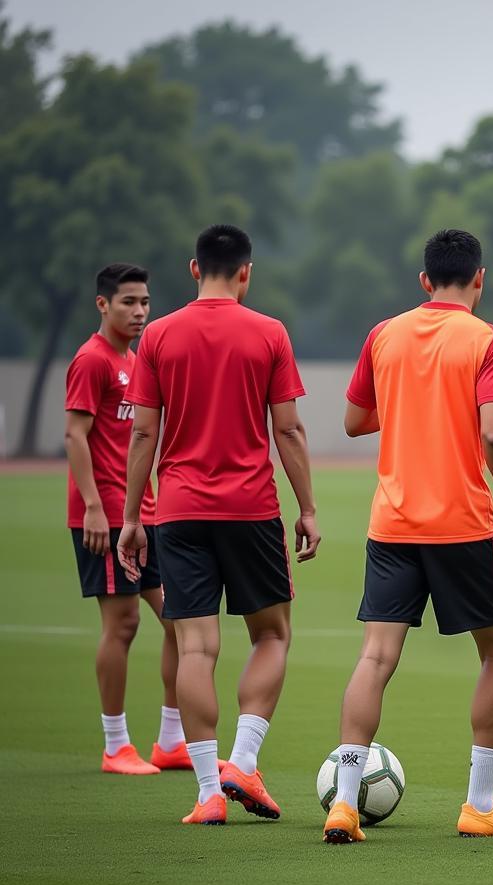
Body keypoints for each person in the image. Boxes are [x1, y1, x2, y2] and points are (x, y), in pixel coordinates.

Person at [324, 228, 493, 845]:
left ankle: (343, 804)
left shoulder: (384, 334)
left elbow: (355, 419)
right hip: (463, 523)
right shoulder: (489, 339)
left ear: (423, 281)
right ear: (480, 279)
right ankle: (478, 805)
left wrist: (412, 401)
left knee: (376, 657)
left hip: (391, 522)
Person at [117, 224, 321, 825]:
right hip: (251, 510)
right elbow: (287, 428)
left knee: (196, 648)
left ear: (192, 268)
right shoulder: (268, 332)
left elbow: (143, 433)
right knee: (272, 636)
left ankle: (208, 792)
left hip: (178, 512)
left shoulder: (158, 335)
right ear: (246, 272)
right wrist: (307, 507)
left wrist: (133, 518)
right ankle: (243, 760)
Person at [65, 263, 184, 775]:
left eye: (145, 303)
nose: (139, 312)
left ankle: (171, 740)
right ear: (103, 304)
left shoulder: (136, 361)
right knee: (124, 622)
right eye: (128, 302)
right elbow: (74, 436)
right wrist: (92, 505)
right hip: (106, 517)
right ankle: (116, 745)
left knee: (181, 620)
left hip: (144, 514)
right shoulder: (92, 361)